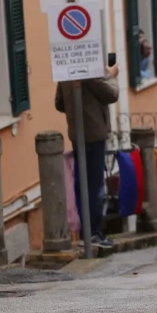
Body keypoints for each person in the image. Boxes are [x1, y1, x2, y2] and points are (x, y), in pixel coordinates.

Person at [55, 62, 120, 247]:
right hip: (94, 134)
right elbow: (112, 94)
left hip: (77, 134)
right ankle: (93, 233)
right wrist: (111, 75)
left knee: (82, 184)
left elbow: (59, 103)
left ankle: (87, 232)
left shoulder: (66, 70)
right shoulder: (89, 69)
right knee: (94, 186)